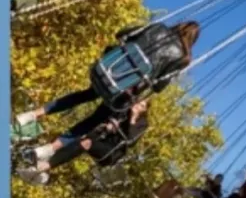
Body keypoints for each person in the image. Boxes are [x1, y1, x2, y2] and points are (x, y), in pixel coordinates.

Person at [15, 21, 200, 130]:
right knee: (99, 118)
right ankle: (50, 150)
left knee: (84, 95)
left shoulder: (157, 28)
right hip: (124, 88)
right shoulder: (182, 57)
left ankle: (33, 114)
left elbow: (123, 33)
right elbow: (159, 86)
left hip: (109, 68)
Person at [17, 100, 149, 186]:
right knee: (81, 140)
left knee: (87, 142)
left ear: (144, 110)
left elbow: (131, 140)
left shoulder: (142, 123)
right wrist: (109, 125)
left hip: (112, 151)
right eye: (138, 102)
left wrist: (132, 118)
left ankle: (43, 166)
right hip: (101, 139)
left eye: (142, 106)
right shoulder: (123, 111)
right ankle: (43, 167)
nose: (138, 106)